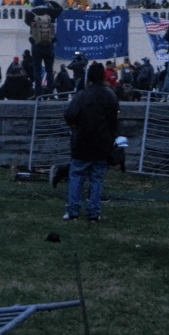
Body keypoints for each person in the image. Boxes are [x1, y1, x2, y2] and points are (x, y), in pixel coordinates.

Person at [61, 62, 119, 222]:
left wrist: (76, 126)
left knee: (76, 176)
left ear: (89, 78)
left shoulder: (82, 95)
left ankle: (73, 211)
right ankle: (94, 213)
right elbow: (115, 119)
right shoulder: (111, 96)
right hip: (103, 144)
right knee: (97, 179)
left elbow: (69, 115)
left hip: (82, 142)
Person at [25, 0, 63, 95]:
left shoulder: (31, 14)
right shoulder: (50, 12)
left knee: (37, 70)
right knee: (49, 69)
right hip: (49, 45)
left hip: (36, 45)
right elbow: (60, 9)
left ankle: (38, 92)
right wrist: (48, 2)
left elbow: (27, 22)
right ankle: (50, 91)